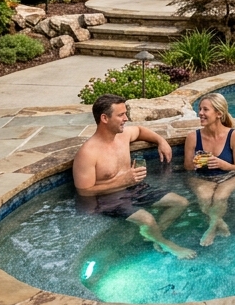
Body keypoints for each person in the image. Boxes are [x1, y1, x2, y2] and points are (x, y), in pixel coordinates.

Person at [73, 93, 195, 259]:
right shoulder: (88, 153)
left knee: (180, 202)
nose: (126, 118)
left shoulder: (122, 136)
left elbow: (140, 130)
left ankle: (152, 235)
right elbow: (84, 191)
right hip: (109, 199)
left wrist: (161, 141)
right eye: (121, 115)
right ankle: (166, 244)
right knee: (147, 220)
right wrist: (120, 181)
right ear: (104, 118)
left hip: (134, 188)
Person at [184, 92, 235, 247]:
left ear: (219, 113)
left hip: (230, 175)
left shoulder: (234, 135)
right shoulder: (193, 137)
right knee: (204, 196)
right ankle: (218, 221)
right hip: (201, 177)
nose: (200, 113)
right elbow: (187, 167)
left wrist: (223, 165)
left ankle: (211, 228)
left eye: (205, 110)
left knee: (220, 196)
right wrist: (196, 163)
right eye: (200, 109)